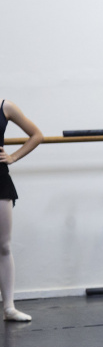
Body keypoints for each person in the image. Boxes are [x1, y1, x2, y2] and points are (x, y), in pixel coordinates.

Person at [0, 100, 43, 322]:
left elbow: (37, 135)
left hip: (0, 181)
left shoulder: (6, 107)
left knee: (4, 245)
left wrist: (13, 157)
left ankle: (8, 307)